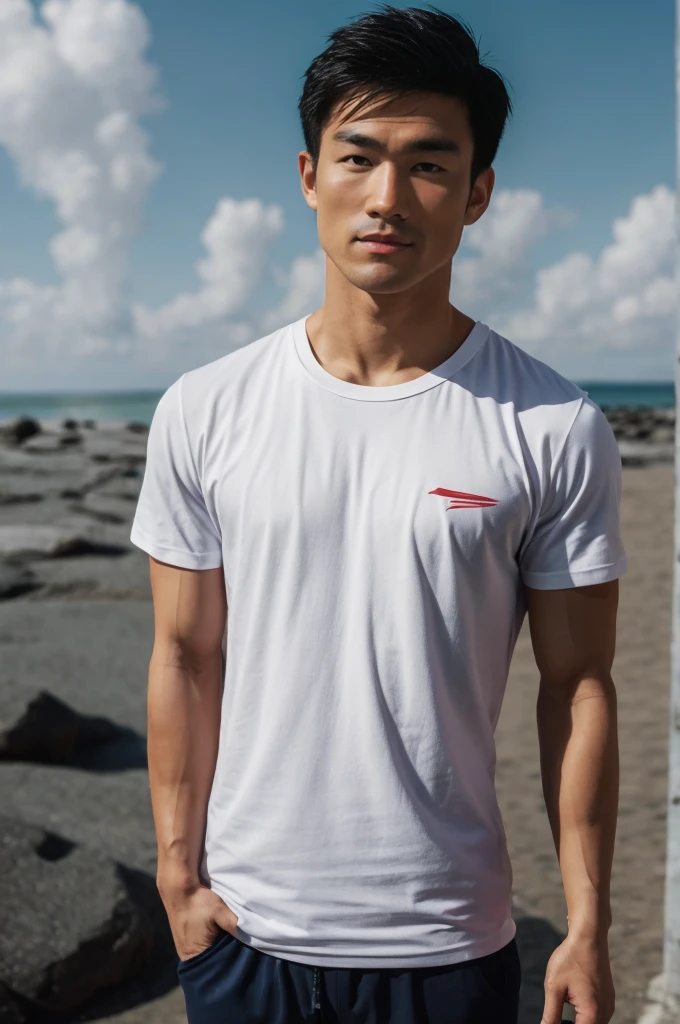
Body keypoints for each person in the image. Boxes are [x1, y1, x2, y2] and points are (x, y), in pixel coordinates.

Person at [130, 5, 625, 1022]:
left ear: (477, 192)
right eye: (357, 156)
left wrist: (583, 923)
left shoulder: (550, 424)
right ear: (308, 175)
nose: (388, 197)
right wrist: (177, 880)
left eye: (430, 165)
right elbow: (183, 657)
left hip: (447, 943)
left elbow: (576, 686)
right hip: (243, 938)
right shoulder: (206, 407)